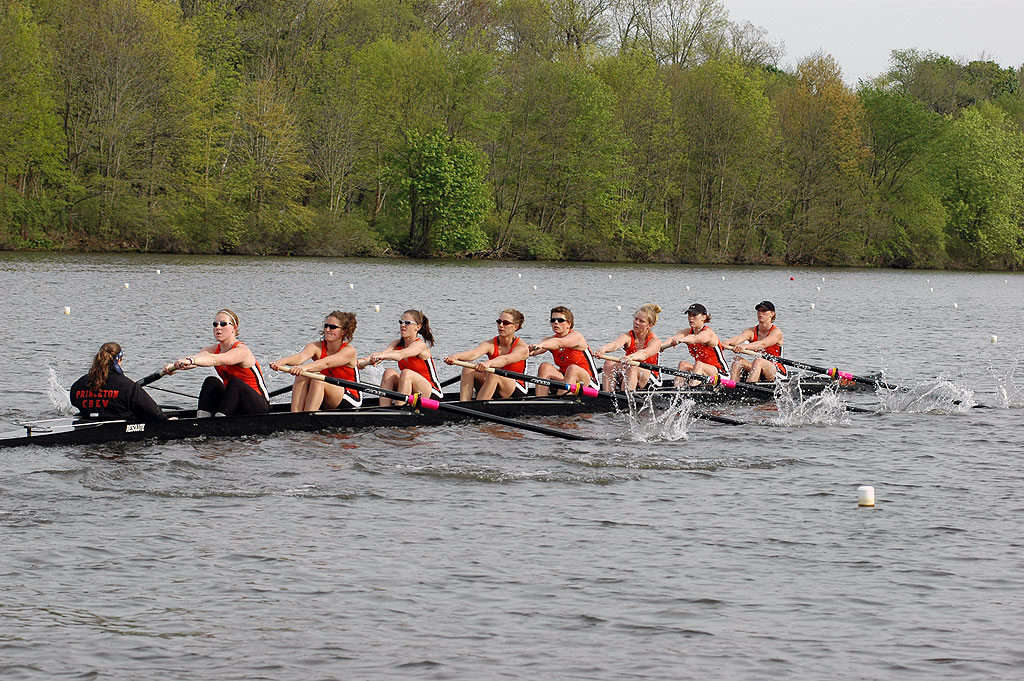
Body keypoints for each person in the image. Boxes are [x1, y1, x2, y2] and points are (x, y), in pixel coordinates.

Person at [166, 308, 270, 417]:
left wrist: (191, 361)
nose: (218, 328)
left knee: (235, 383)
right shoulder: (212, 349)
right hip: (233, 403)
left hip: (258, 407)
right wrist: (175, 365)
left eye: (223, 324)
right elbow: (195, 360)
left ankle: (220, 422)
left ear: (234, 328)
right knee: (211, 381)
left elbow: (215, 359)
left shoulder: (242, 351)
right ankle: (202, 421)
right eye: (215, 324)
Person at [269, 311, 362, 411]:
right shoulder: (315, 346)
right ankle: (295, 415)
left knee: (317, 379)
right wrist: (282, 362)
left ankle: (308, 417)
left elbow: (326, 363)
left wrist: (304, 367)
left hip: (350, 396)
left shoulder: (349, 351)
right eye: (326, 326)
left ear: (343, 331)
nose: (327, 329)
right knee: (302, 376)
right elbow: (300, 357)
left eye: (332, 327)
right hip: (324, 391)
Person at [360, 309, 442, 407]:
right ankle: (383, 410)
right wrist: (362, 362)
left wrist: (382, 356)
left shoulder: (420, 345)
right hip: (411, 390)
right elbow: (382, 353)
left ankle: (399, 410)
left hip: (431, 393)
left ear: (418, 327)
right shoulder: (396, 343)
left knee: (406, 373)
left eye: (407, 323)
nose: (402, 325)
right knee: (389, 372)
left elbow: (400, 355)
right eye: (401, 322)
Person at [443, 309, 529, 400]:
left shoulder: (521, 347)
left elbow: (505, 360)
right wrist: (455, 357)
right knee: (468, 368)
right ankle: (464, 404)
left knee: (493, 373)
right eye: (499, 322)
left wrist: (489, 363)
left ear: (515, 327)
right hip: (493, 380)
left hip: (516, 388)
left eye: (506, 323)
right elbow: (474, 353)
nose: (501, 325)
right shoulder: (490, 343)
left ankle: (479, 406)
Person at [69, 342, 166, 421]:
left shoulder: (79, 384)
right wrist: (166, 421)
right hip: (118, 431)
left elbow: (75, 402)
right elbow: (153, 412)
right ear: (119, 360)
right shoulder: (127, 386)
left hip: (85, 428)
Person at [528, 306, 598, 397]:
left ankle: (559, 402)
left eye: (560, 320)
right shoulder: (549, 340)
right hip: (565, 379)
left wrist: (540, 345)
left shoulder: (576, 337)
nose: (556, 322)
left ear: (569, 324)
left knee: (572, 369)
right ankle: (541, 400)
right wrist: (523, 350)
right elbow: (531, 353)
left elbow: (559, 343)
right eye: (553, 320)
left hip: (588, 383)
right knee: (545, 367)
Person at [596, 304, 663, 391]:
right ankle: (608, 395)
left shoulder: (655, 341)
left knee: (632, 367)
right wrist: (603, 350)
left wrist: (630, 357)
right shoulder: (628, 336)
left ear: (649, 325)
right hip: (631, 369)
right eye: (636, 319)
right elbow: (615, 344)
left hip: (650, 376)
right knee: (609, 363)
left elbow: (644, 354)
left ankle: (625, 399)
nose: (637, 323)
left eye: (641, 321)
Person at [659, 303, 729, 386]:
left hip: (721, 375)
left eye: (694, 315)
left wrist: (681, 340)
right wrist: (660, 347)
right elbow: (673, 338)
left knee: (699, 365)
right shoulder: (686, 331)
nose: (691, 318)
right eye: (689, 315)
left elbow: (695, 339)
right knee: (683, 364)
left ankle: (692, 393)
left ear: (704, 317)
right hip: (701, 372)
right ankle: (677, 392)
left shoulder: (708, 333)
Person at [723, 300, 786, 383]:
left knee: (758, 361)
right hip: (758, 367)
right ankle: (732, 388)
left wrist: (745, 346)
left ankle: (749, 390)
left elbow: (763, 344)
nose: (760, 313)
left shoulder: (776, 332)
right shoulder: (752, 331)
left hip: (776, 370)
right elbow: (739, 339)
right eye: (759, 310)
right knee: (737, 360)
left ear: (772, 314)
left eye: (764, 311)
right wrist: (726, 342)